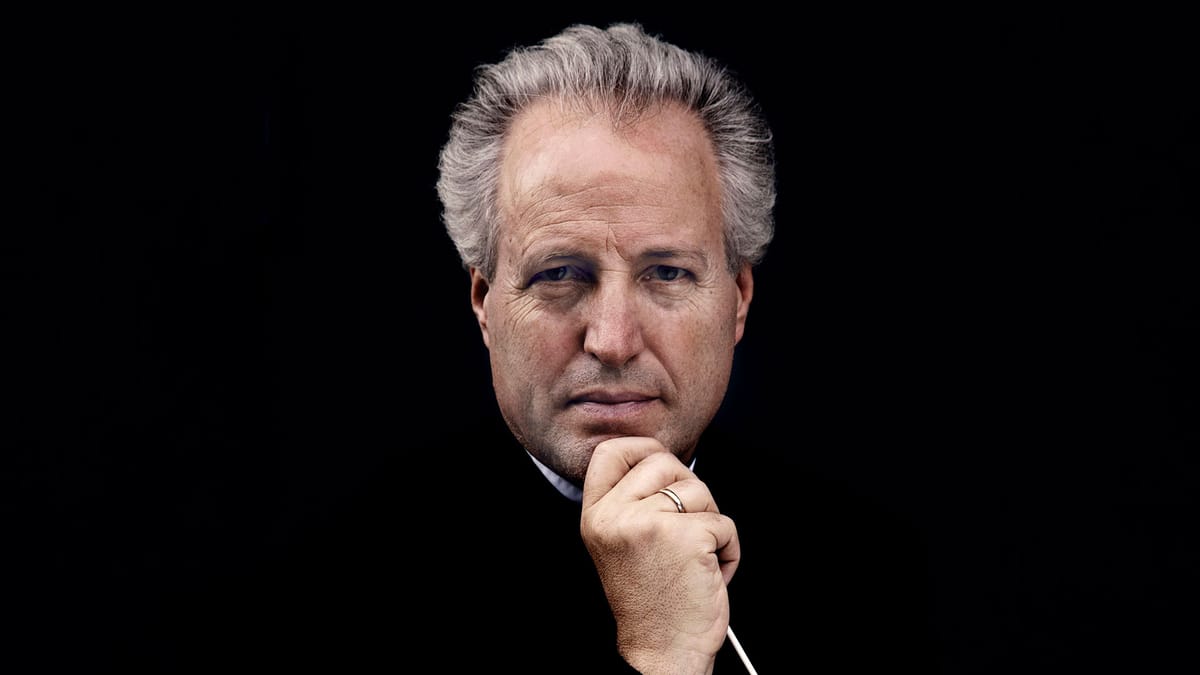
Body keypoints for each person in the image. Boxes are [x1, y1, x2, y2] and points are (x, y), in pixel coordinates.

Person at [125, 21, 934, 675]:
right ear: (484, 302)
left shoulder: (877, 579)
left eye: (666, 273)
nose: (611, 340)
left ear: (739, 300)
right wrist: (663, 657)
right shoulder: (322, 600)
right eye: (559, 274)